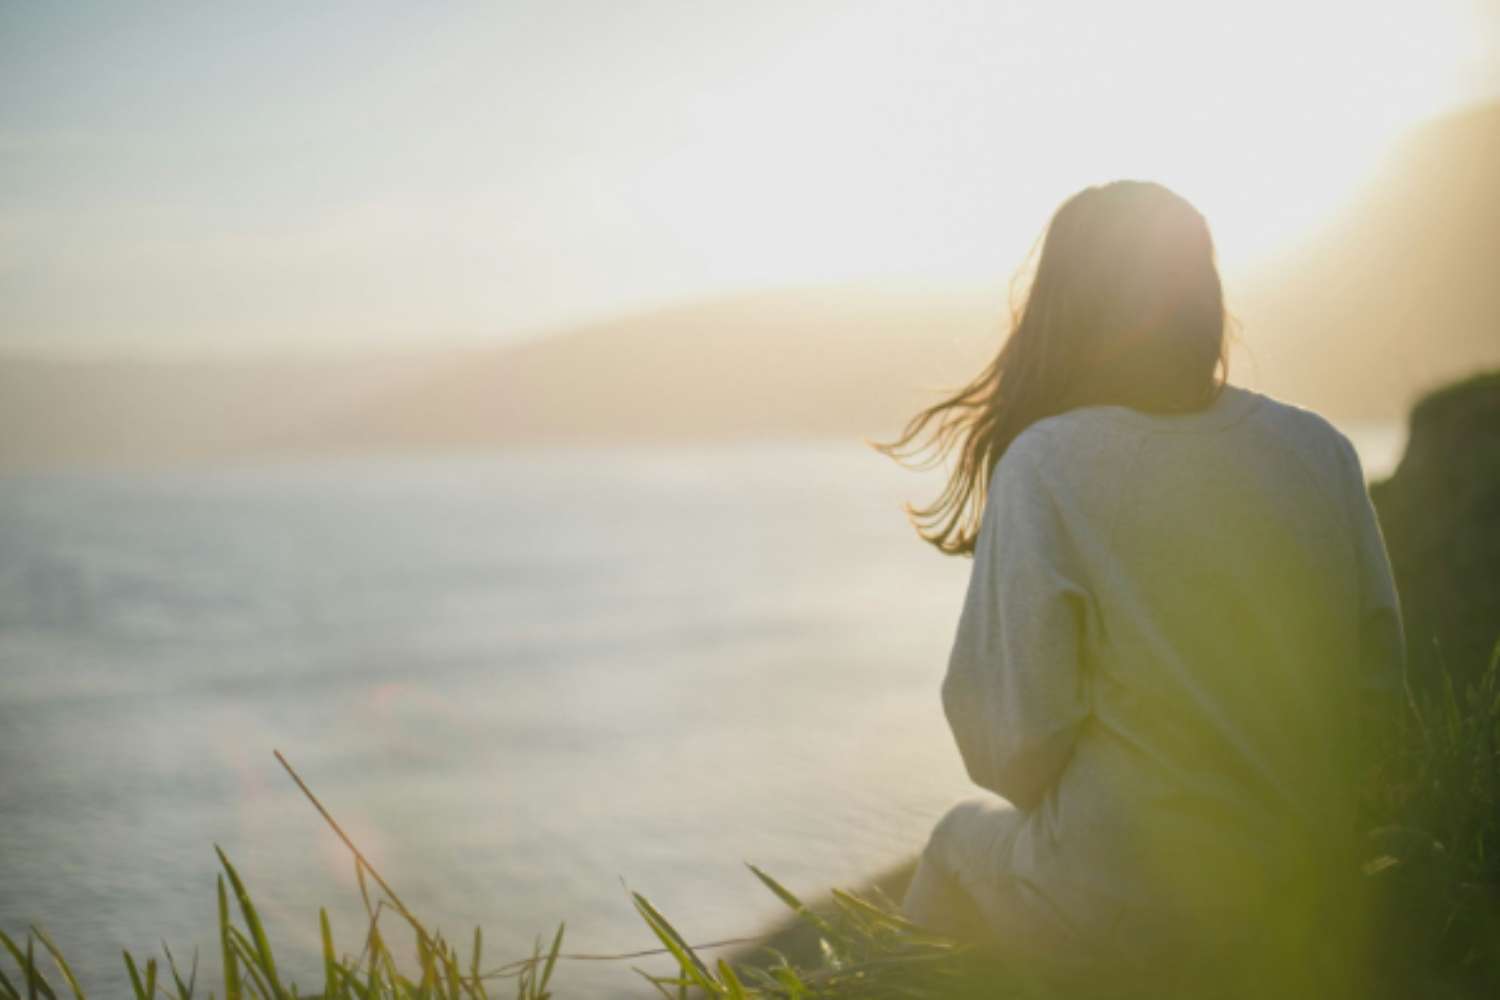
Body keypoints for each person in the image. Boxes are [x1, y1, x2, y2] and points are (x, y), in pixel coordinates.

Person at [877, 181, 1404, 987]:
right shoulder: (1319, 449)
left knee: (956, 842)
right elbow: (1378, 697)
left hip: (1126, 903)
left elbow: (1010, 747)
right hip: (1309, 889)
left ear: (1064, 308)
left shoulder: (1048, 464)